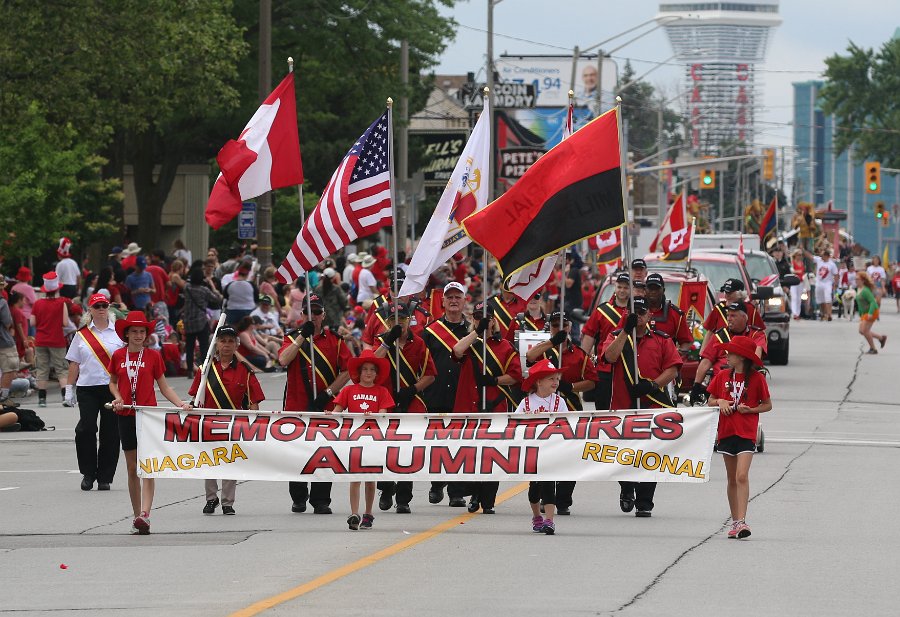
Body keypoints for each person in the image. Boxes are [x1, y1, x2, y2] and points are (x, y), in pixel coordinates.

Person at [108, 311, 192, 534]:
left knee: (148, 466)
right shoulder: (118, 355)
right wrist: (117, 397)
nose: (138, 335)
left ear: (146, 335)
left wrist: (180, 404)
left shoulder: (153, 356)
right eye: (134, 331)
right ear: (126, 334)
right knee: (132, 468)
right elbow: (112, 382)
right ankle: (136, 515)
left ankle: (145, 514)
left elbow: (164, 387)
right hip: (126, 415)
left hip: (148, 416)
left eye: (142, 331)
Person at [602, 297, 682, 518]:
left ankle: (645, 501)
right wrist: (625, 331)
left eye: (641, 312)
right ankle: (627, 487)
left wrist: (653, 385)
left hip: (652, 403)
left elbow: (673, 369)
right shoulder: (615, 336)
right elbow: (609, 357)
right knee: (623, 453)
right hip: (623, 406)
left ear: (649, 315)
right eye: (633, 311)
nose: (637, 316)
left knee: (651, 453)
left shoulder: (662, 339)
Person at [278, 293, 351, 514]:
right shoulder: (292, 338)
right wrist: (302, 336)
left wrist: (329, 393)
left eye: (317, 312)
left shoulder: (335, 340)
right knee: (296, 452)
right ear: (302, 315)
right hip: (296, 405)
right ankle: (298, 497)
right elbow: (283, 360)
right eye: (309, 312)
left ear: (324, 315)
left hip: (324, 405)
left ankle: (321, 500)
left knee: (324, 452)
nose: (313, 316)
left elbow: (348, 371)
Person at [524, 311, 597, 515]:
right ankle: (543, 496)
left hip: (570, 409)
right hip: (544, 411)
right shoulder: (544, 350)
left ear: (570, 327)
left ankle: (563, 499)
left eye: (563, 325)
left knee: (569, 457)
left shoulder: (579, 354)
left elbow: (592, 381)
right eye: (555, 325)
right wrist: (552, 342)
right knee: (544, 456)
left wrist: (571, 386)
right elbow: (529, 357)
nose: (560, 328)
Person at [452, 310, 523, 514]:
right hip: (470, 405)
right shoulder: (469, 343)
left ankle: (488, 500)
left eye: (487, 318)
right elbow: (456, 351)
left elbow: (515, 375)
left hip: (494, 405)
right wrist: (477, 332)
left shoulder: (505, 346)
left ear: (494, 321)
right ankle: (475, 495)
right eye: (477, 317)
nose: (482, 320)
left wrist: (494, 380)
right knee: (472, 453)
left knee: (493, 452)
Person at [188, 326, 265, 516]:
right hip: (208, 423)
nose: (227, 345)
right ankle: (211, 499)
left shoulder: (245, 370)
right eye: (223, 341)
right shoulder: (205, 369)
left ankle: (227, 502)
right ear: (216, 344)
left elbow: (254, 401)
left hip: (234, 423)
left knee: (231, 463)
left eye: (231, 341)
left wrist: (253, 423)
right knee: (209, 462)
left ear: (237, 345)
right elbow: (196, 397)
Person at [706, 335, 772, 539]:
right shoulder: (722, 375)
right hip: (726, 431)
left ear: (742, 356)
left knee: (741, 475)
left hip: (746, 432)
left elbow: (767, 405)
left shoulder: (757, 378)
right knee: (731, 478)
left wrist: (750, 410)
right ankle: (735, 522)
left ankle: (742, 521)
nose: (726, 355)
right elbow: (710, 400)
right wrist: (720, 402)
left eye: (731, 352)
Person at [373, 303, 436, 513]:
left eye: (402, 319)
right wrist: (388, 342)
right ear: (387, 322)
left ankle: (403, 498)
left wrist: (413, 390)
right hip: (385, 401)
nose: (398, 323)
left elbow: (430, 374)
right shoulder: (381, 341)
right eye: (393, 320)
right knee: (385, 447)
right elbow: (371, 365)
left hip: (411, 400)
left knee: (409, 448)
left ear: (409, 320)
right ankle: (386, 488)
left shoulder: (418, 343)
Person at [329, 349, 395, 530]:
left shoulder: (382, 391)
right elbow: (337, 412)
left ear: (377, 373)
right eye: (365, 369)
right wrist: (329, 415)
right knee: (355, 477)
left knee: (370, 478)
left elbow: (383, 415)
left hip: (373, 441)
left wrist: (374, 416)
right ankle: (354, 513)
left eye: (372, 369)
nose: (368, 373)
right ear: (358, 372)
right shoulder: (348, 390)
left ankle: (368, 513)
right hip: (354, 440)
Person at [65, 293, 124, 492]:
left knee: (111, 433)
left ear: (108, 308)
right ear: (90, 309)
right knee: (86, 429)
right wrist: (69, 389)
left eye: (104, 306)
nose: (101, 309)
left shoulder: (119, 333)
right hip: (87, 388)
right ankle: (88, 473)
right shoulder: (81, 334)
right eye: (97, 306)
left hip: (112, 388)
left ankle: (105, 477)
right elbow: (74, 362)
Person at [421, 281, 472, 507]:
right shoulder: (430, 332)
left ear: (464, 301)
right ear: (442, 301)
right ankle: (436, 483)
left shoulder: (471, 331)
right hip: (436, 394)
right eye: (449, 297)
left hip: (462, 394)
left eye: (457, 297)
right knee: (437, 444)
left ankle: (456, 492)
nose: (453, 301)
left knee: (459, 444)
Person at [514, 358, 568, 535]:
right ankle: (537, 516)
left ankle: (550, 520)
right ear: (538, 382)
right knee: (534, 488)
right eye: (551, 378)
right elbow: (515, 424)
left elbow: (567, 424)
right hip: (532, 451)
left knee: (549, 483)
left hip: (551, 450)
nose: (555, 382)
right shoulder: (526, 403)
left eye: (557, 379)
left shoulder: (560, 402)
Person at [692, 303, 767, 404]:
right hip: (721, 382)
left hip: (745, 381)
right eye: (728, 315)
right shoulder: (720, 335)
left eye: (733, 315)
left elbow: (756, 359)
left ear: (744, 317)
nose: (729, 319)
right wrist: (696, 385)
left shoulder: (756, 334)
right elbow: (706, 362)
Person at [581, 272, 632, 408]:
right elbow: (589, 336)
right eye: (619, 287)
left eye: (626, 288)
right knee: (603, 408)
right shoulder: (602, 311)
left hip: (629, 368)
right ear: (615, 287)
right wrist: (584, 363)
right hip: (605, 368)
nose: (622, 290)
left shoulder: (636, 312)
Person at [31, 273, 73, 407]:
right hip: (57, 340)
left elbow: (32, 322)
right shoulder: (61, 303)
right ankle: (65, 397)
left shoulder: (37, 304)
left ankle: (42, 399)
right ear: (57, 289)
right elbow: (65, 323)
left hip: (41, 340)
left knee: (42, 368)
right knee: (61, 368)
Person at [701, 278, 764, 351]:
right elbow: (709, 333)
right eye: (725, 292)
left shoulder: (750, 309)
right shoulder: (719, 308)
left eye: (730, 293)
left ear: (740, 294)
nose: (726, 296)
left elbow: (760, 337)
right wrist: (701, 354)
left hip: (743, 353)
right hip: (720, 354)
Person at [182, 268, 223, 373]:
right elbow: (217, 299)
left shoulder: (187, 288)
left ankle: (190, 371)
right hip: (201, 321)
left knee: (189, 347)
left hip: (188, 322)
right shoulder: (204, 290)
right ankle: (205, 369)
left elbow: (186, 283)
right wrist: (212, 286)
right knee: (204, 346)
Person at [644, 273, 693, 353]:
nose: (653, 292)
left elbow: (686, 342)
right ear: (645, 290)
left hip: (666, 359)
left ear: (663, 290)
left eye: (657, 289)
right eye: (650, 288)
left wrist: (678, 354)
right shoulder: (635, 311)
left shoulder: (675, 314)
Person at [854, 272, 886, 354]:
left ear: (863, 280)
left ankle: (873, 349)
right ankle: (881, 338)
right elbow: (860, 303)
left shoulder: (865, 290)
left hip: (872, 311)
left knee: (865, 330)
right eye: (855, 279)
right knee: (861, 331)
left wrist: (870, 313)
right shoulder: (858, 289)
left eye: (857, 279)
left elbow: (872, 302)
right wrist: (860, 314)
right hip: (865, 313)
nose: (856, 280)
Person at [807, 247, 838, 321]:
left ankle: (829, 314)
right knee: (820, 300)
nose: (821, 257)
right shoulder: (819, 260)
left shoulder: (832, 264)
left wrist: (835, 284)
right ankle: (823, 313)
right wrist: (803, 250)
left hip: (828, 283)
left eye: (823, 255)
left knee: (828, 299)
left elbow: (836, 275)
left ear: (827, 256)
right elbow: (810, 257)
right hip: (819, 283)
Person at [0, 287, 18, 406]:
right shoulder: (2, 302)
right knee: (9, 368)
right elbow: (7, 322)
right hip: (3, 340)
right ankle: (3, 397)